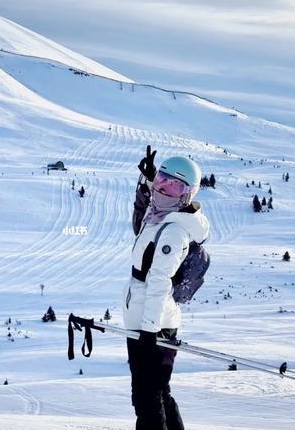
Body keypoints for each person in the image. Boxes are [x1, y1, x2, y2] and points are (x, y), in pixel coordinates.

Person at [122, 146, 210, 430]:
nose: (163, 189)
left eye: (174, 186)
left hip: (152, 321)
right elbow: (148, 209)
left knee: (147, 400)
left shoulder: (173, 230)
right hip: (149, 317)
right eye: (162, 179)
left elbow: (159, 281)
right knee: (158, 391)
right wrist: (148, 180)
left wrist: (148, 330)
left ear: (187, 194)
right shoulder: (163, 215)